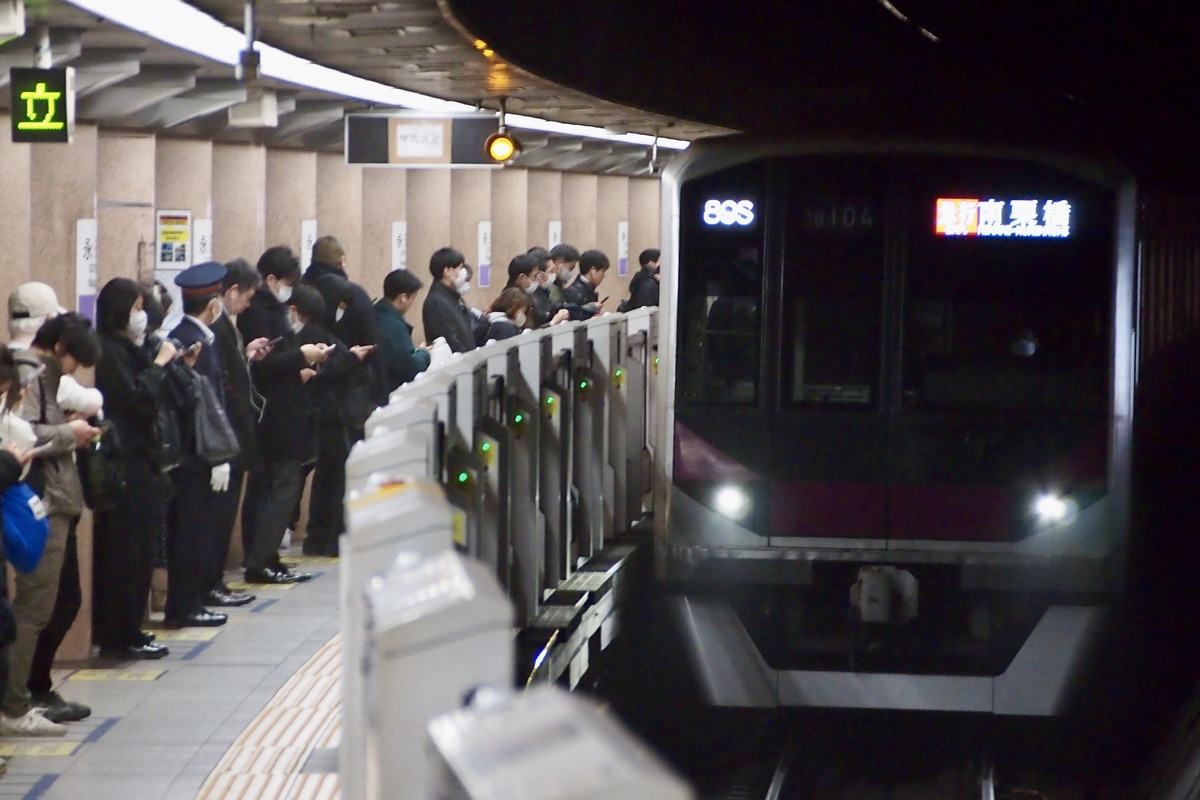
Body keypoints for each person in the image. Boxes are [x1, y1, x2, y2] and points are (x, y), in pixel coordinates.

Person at [6, 314, 100, 730]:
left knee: (48, 604)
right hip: (40, 499)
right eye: (74, 361)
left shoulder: (39, 372)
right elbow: (21, 435)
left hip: (54, 498)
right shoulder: (29, 371)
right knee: (33, 607)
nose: (73, 372)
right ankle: (14, 704)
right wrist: (69, 433)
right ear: (60, 347)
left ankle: (24, 695)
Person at [92, 278, 175, 660]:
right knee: (123, 552)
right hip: (123, 462)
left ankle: (133, 628)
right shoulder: (107, 352)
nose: (141, 315)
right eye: (136, 307)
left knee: (142, 549)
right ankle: (117, 633)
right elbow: (138, 399)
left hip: (143, 458)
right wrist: (159, 364)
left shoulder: (130, 348)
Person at [238, 246, 327, 585]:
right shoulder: (257, 312)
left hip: (284, 408)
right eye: (286, 282)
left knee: (272, 486)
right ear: (271, 279)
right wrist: (302, 357)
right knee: (283, 485)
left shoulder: (268, 307)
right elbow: (265, 366)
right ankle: (260, 560)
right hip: (273, 413)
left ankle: (267, 557)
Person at [164, 262, 238, 628]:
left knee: (194, 532)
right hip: (194, 459)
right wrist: (215, 457)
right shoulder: (190, 342)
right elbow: (198, 405)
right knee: (190, 534)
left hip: (195, 457)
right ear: (213, 304)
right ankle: (184, 605)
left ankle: (189, 601)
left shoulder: (194, 338)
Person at [287, 285, 373, 557]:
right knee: (335, 480)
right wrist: (351, 358)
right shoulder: (319, 336)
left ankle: (317, 537)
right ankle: (333, 539)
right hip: (329, 416)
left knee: (325, 479)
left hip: (319, 416)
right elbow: (327, 372)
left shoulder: (309, 333)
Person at [208, 258, 267, 607]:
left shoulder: (227, 328)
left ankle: (214, 581)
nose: (247, 305)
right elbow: (223, 386)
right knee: (217, 518)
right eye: (246, 298)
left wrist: (246, 355)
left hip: (236, 440)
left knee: (224, 516)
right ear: (231, 292)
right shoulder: (216, 329)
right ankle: (210, 582)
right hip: (226, 442)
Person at [375, 269, 431, 393]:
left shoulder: (378, 313)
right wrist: (423, 354)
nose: (412, 303)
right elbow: (410, 366)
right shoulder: (393, 325)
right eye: (413, 298)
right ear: (403, 297)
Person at [422, 247, 476, 353]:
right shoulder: (436, 302)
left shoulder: (453, 298)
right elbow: (450, 340)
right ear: (447, 271)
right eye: (460, 268)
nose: (463, 272)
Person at [563, 249, 610, 318]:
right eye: (602, 271)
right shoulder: (574, 292)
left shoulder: (588, 289)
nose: (603, 276)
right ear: (593, 270)